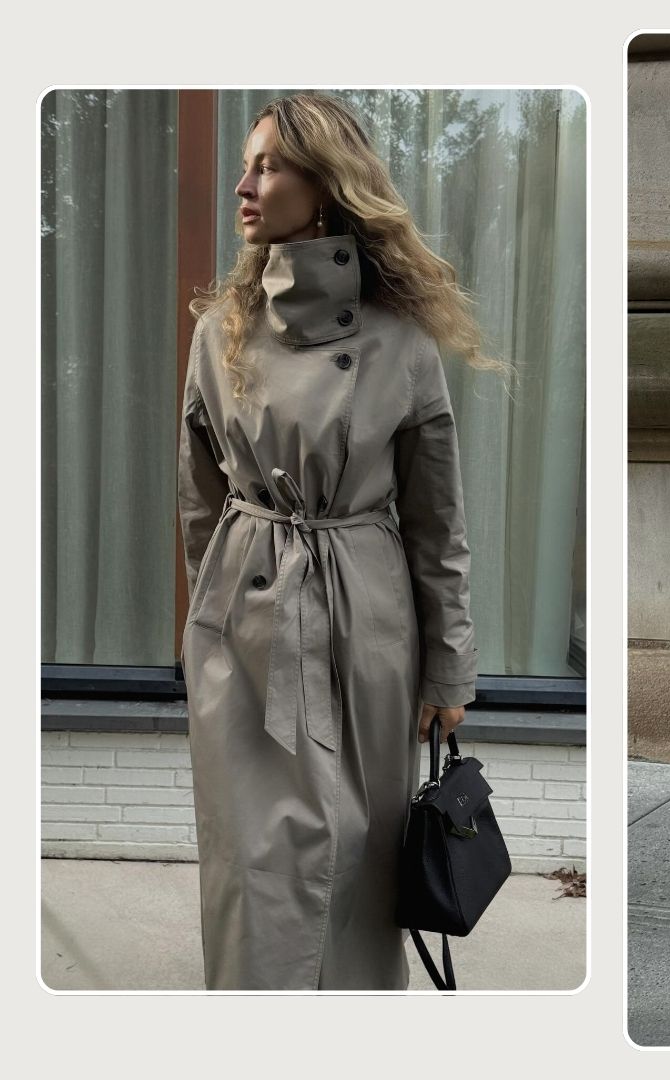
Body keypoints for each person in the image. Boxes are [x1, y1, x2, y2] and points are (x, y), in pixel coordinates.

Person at [177, 94, 500, 990]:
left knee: (358, 851)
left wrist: (449, 670)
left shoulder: (402, 341)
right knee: (249, 866)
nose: (245, 185)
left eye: (270, 166)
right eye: (247, 165)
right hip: (242, 619)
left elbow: (439, 523)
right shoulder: (219, 331)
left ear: (326, 187)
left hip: (366, 616)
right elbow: (199, 500)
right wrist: (209, 627)